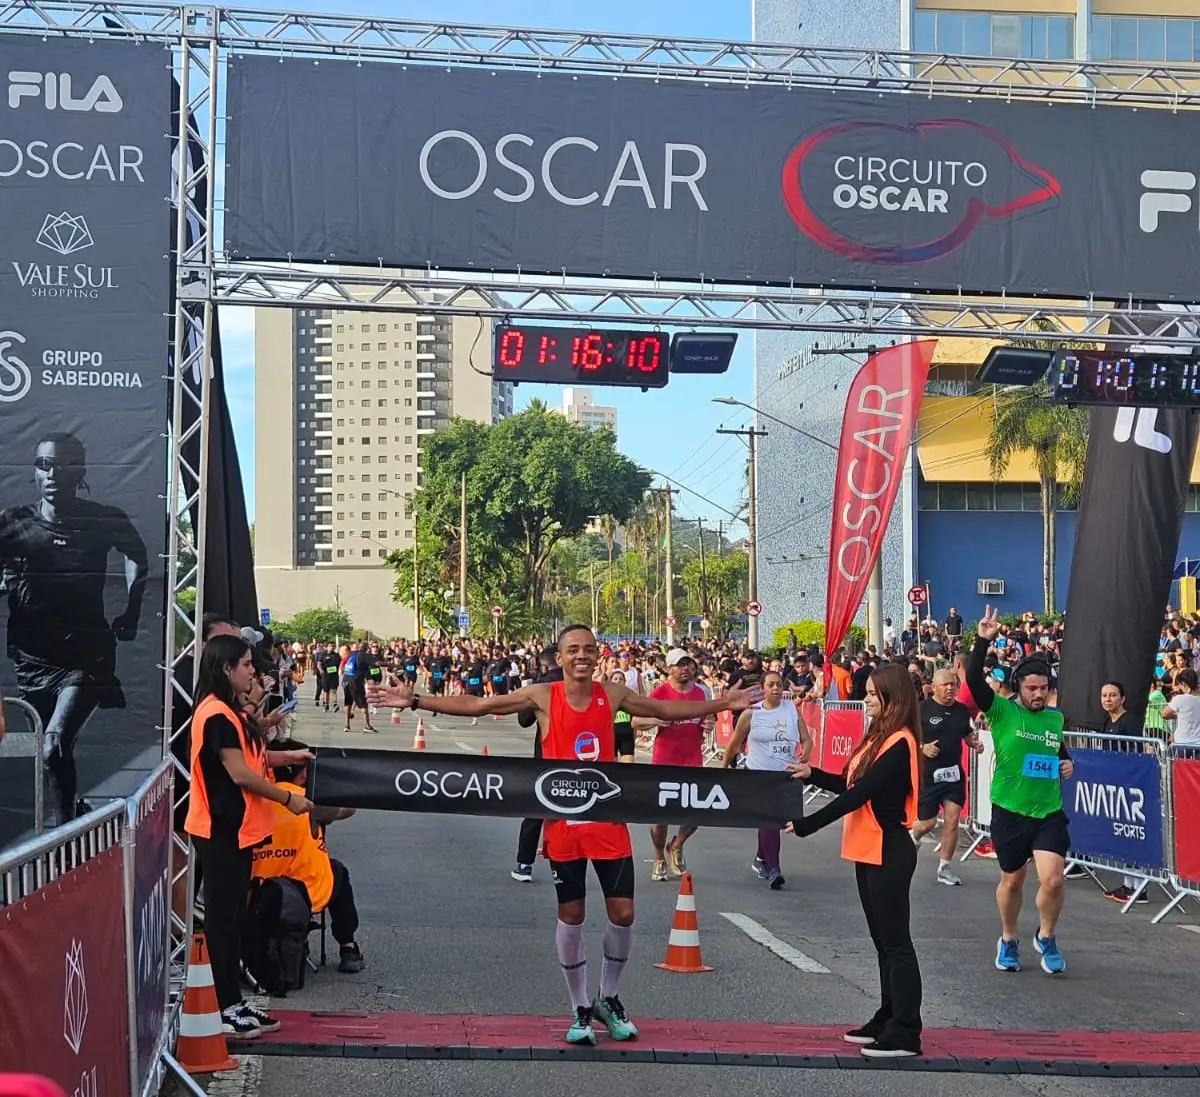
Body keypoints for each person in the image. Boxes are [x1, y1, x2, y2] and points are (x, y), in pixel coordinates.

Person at [367, 624, 757, 1046]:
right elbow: (481, 704)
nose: (582, 656)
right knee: (571, 915)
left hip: (607, 823)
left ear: (598, 656)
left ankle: (609, 998)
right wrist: (418, 700)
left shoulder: (614, 694)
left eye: (590, 649)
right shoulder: (542, 696)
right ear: (560, 657)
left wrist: (723, 703)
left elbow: (663, 712)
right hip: (563, 827)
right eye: (574, 650)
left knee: (623, 913)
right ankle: (579, 1007)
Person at [0, 431, 149, 821]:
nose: (52, 474)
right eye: (43, 465)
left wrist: (132, 608)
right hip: (32, 659)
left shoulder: (103, 518)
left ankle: (63, 834)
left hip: (87, 654)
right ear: (35, 471)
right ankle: (72, 811)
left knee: (54, 744)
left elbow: (137, 555)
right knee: (50, 752)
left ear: (79, 470)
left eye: (63, 465)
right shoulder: (13, 523)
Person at [785, 663, 923, 1059]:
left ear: (892, 699)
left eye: (873, 694)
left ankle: (905, 1031)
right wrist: (811, 774)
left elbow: (858, 795)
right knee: (882, 941)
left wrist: (809, 824)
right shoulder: (876, 738)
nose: (865, 699)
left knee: (896, 943)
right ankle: (887, 1015)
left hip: (889, 849)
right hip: (868, 848)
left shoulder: (900, 742)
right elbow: (847, 782)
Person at [183, 634, 314, 1038]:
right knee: (222, 923)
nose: (252, 672)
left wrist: (288, 757)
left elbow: (251, 760)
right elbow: (238, 774)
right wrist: (285, 799)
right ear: (225, 668)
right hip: (220, 830)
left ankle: (234, 1003)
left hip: (238, 832)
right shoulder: (216, 714)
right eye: (245, 665)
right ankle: (224, 1008)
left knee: (233, 920)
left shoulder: (232, 713)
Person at [967, 606, 1073, 976]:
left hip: (1048, 810)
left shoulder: (1055, 718)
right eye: (1032, 689)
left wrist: (1067, 762)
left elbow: (1056, 750)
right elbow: (973, 681)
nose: (1039, 694)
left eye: (1044, 688)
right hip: (1010, 808)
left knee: (1054, 878)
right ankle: (1009, 938)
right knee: (1013, 880)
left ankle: (1046, 935)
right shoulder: (1000, 711)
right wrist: (982, 640)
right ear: (1019, 687)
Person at [253, 740, 365, 973]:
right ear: (304, 774)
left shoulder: (255, 797)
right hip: (307, 892)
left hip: (257, 892)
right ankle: (347, 946)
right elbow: (349, 808)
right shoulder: (311, 802)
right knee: (338, 872)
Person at [721, 669, 811, 890]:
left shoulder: (791, 709)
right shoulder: (752, 713)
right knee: (769, 819)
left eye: (779, 684)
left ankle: (761, 858)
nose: (776, 688)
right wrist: (723, 770)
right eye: (770, 684)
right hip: (758, 773)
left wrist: (806, 752)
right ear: (762, 688)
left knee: (775, 822)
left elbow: (806, 739)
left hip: (784, 775)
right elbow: (734, 743)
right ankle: (774, 868)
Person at [633, 648, 710, 881]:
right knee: (661, 815)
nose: (684, 668)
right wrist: (656, 719)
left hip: (693, 759)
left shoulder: (701, 693)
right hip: (664, 759)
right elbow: (636, 720)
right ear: (669, 669)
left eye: (688, 664)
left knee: (697, 812)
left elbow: (708, 718)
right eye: (679, 664)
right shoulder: (660, 692)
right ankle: (658, 858)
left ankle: (676, 845)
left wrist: (708, 725)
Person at [911, 668, 981, 887]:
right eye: (945, 685)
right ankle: (913, 837)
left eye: (953, 684)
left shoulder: (962, 711)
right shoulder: (921, 710)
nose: (950, 688)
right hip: (929, 776)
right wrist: (922, 748)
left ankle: (945, 867)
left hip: (953, 776)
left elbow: (967, 734)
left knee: (952, 820)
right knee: (928, 823)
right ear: (933, 687)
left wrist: (974, 743)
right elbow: (907, 738)